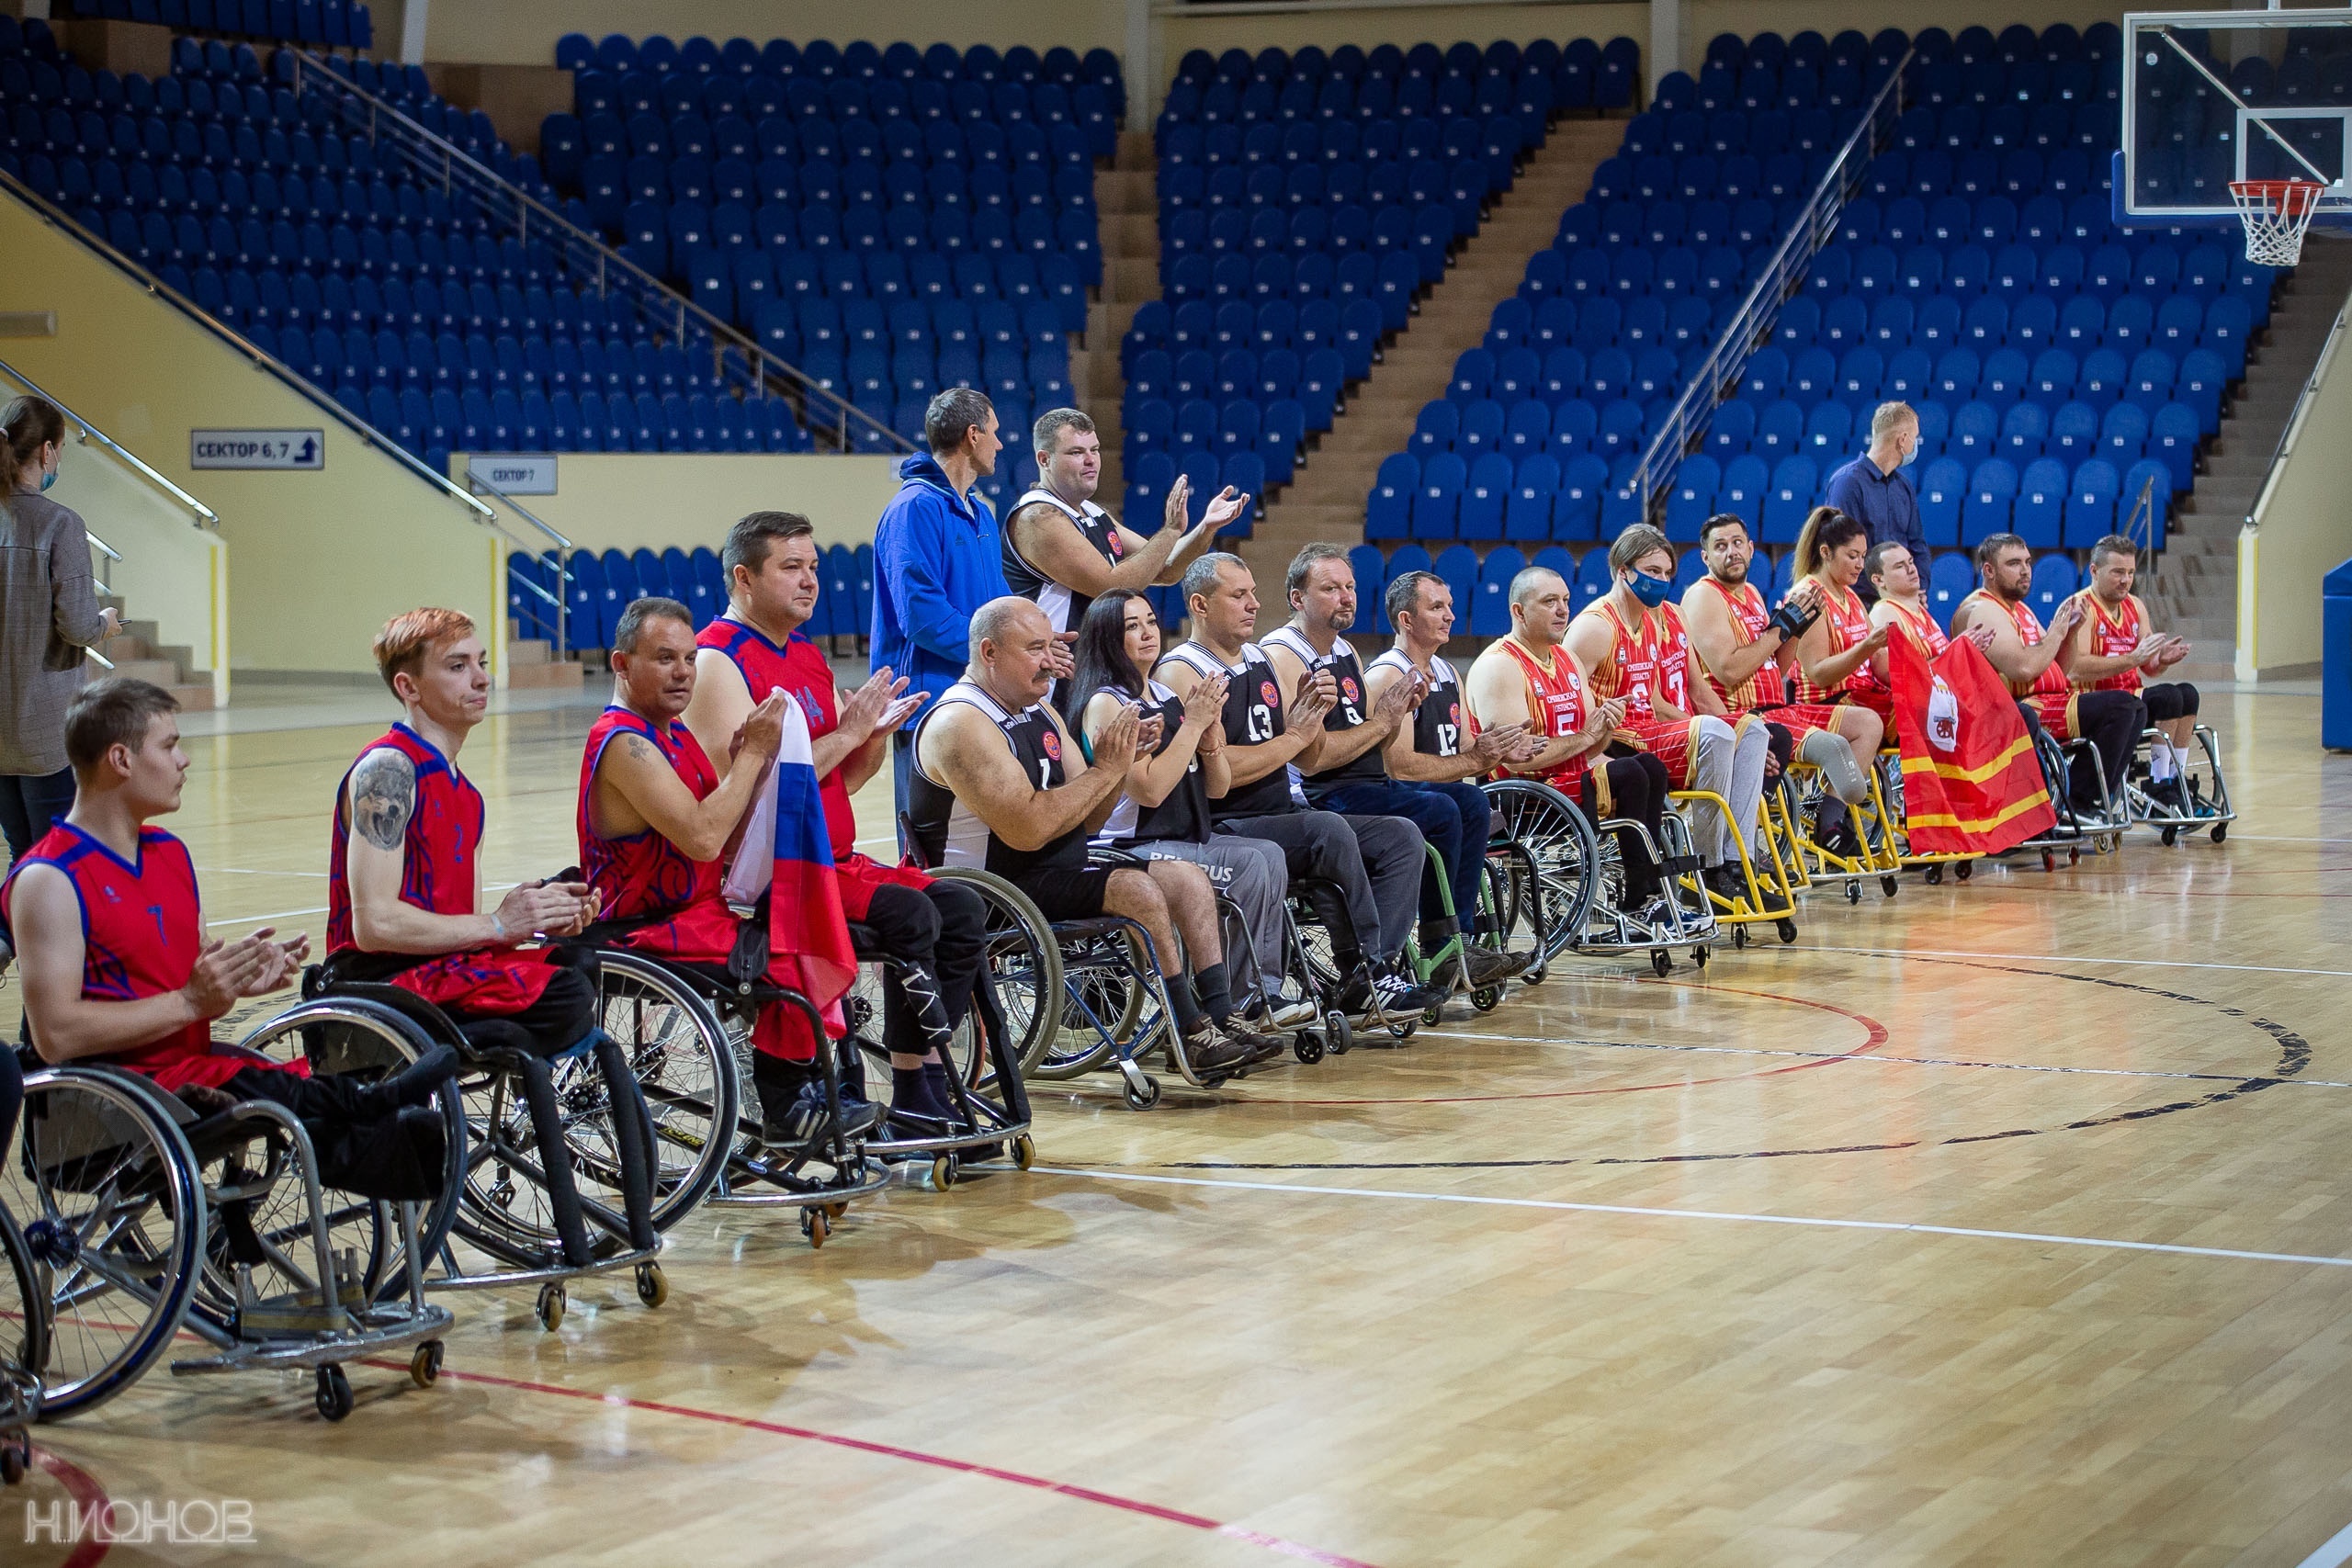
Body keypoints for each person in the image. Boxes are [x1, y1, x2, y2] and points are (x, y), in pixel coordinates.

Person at [1, 679, 455, 1200]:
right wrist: (191, 1000)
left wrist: (236, 979)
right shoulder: (48, 880)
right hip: (101, 1108)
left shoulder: (169, 852)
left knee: (295, 1090)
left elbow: (186, 988)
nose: (184, 760)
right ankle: (366, 1111)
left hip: (181, 1075)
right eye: (169, 746)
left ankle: (383, 1136)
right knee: (287, 1094)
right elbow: (56, 1035)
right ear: (121, 759)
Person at [684, 511, 987, 1136]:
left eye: (814, 567)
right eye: (791, 567)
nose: (810, 580)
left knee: (961, 909)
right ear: (744, 576)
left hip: (829, 854)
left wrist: (870, 741)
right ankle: (896, 1091)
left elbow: (837, 783)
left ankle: (920, 1082)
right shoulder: (718, 661)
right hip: (765, 870)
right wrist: (846, 732)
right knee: (914, 917)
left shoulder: (806, 656)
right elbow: (742, 792)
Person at [910, 596, 1280, 1075]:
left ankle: (1221, 1012)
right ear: (989, 653)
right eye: (1034, 648)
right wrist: (1104, 770)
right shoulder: (962, 723)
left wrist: (1113, 770)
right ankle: (1188, 1030)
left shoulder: (1036, 710)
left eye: (1051, 646)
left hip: (1049, 869)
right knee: (1136, 888)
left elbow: (1089, 818)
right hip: (986, 890)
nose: (1050, 660)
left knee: (1185, 878)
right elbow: (1028, 829)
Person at [582, 594, 879, 1145]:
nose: (683, 673)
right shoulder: (625, 741)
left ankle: (817, 1084)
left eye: (691, 659)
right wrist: (750, 758)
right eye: (665, 658)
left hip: (697, 910)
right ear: (621, 665)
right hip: (643, 923)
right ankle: (785, 1104)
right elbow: (702, 837)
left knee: (802, 926)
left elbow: (730, 814)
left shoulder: (673, 734)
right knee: (787, 952)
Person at [1155, 553, 1448, 1018]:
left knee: (1400, 835)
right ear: (1200, 605)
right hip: (1223, 823)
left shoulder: (1257, 661)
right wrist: (1291, 739)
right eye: (1238, 595)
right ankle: (1364, 972)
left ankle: (1376, 972)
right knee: (1327, 829)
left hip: (1280, 811)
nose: (1253, 604)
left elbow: (1304, 751)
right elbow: (1221, 769)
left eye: (1252, 592)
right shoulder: (1180, 671)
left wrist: (1383, 715)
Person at [327, 608, 603, 1058]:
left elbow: (461, 926)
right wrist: (498, 925)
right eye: (458, 667)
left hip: (436, 969)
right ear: (408, 687)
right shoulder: (389, 769)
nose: (481, 679)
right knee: (564, 993)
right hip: (378, 979)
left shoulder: (467, 794)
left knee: (576, 958)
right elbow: (374, 924)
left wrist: (531, 919)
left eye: (482, 663)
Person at [1272, 549, 1521, 989]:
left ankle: (1454, 938)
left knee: (1469, 801)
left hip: (1362, 780)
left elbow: (1375, 736)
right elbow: (1316, 759)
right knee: (1445, 809)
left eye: (1349, 587)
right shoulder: (1285, 653)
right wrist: (1386, 721)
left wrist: (1490, 748)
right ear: (1297, 597)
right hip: (1321, 792)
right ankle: (1439, 943)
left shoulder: (1345, 650)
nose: (1345, 597)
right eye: (1330, 588)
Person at [1064, 588, 1308, 1031]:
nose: (1146, 633)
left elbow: (1217, 788)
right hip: (1132, 845)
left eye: (1151, 622)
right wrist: (1193, 724)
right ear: (1106, 638)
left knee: (1268, 853)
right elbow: (1150, 792)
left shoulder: (1164, 693)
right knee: (1251, 863)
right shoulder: (1106, 702)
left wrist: (1211, 738)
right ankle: (1241, 1000)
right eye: (1131, 626)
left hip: (1184, 836)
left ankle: (1260, 991)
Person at [1565, 524, 1770, 901]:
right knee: (1717, 733)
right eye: (1652, 571)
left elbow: (1657, 699)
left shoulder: (1649, 618)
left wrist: (1718, 723)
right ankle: (1708, 866)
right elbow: (1569, 698)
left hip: (1650, 728)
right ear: (1623, 570)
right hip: (1619, 739)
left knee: (1753, 730)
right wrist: (1594, 750)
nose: (1661, 580)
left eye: (1665, 573)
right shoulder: (1595, 627)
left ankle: (1735, 860)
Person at [1464, 566, 1673, 919]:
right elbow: (1517, 759)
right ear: (1519, 611)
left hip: (1569, 784)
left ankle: (1652, 886)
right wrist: (1586, 737)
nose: (1563, 610)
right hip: (1523, 794)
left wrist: (1605, 726)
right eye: (1549, 602)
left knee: (1649, 765)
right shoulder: (1499, 666)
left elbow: (1589, 746)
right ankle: (1640, 896)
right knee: (1630, 774)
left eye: (1565, 600)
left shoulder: (1567, 659)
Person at [1002, 408, 1240, 704]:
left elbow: (1163, 568)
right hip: (1057, 677)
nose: (1090, 460)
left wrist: (1205, 527)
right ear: (1044, 459)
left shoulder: (1091, 511)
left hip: (1097, 667)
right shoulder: (1039, 517)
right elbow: (1110, 587)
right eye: (1076, 452)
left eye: (1095, 450)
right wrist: (1169, 531)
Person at [872, 388, 1031, 822]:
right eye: (995, 433)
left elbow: (1000, 604)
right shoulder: (914, 508)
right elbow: (922, 617)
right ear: (973, 435)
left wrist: (1036, 642)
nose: (1001, 444)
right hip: (929, 700)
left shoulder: (979, 512)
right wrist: (1000, 655)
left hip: (981, 690)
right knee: (932, 849)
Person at [1682, 512, 1881, 813]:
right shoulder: (1703, 596)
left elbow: (1776, 668)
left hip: (1778, 709)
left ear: (1751, 549)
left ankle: (1833, 823)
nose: (1731, 551)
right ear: (1705, 557)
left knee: (1868, 722)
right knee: (1835, 748)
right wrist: (1780, 629)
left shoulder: (1750, 593)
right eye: (1720, 546)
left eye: (1737, 543)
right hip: (1744, 717)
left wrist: (1795, 632)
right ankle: (1834, 821)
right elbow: (1730, 671)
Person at [0, 394, 121, 870]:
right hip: (45, 726)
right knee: (57, 856)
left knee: (19, 850)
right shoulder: (60, 524)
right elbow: (75, 624)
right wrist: (104, 625)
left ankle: (12, 939)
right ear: (48, 452)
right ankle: (52, 944)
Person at [1952, 534, 2147, 818]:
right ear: (1989, 571)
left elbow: (2059, 668)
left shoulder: (2021, 610)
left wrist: (2071, 633)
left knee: (2137, 708)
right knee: (2121, 707)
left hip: (2040, 701)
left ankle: (2083, 798)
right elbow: (2024, 668)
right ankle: (2076, 800)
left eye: (2028, 563)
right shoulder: (1982, 609)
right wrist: (2056, 632)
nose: (2025, 570)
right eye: (2014, 563)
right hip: (2009, 711)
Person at [2069, 535, 2202, 809]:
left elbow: (2150, 667)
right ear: (2094, 571)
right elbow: (2076, 667)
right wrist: (2132, 658)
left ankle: (2173, 778)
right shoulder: (2082, 608)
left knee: (2188, 694)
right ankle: (2157, 782)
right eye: (2118, 572)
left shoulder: (2135, 606)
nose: (2125, 580)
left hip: (2133, 698)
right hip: (2098, 701)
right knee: (2167, 697)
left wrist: (2162, 659)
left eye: (2130, 572)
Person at [1822, 400, 1928, 570]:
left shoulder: (1904, 486)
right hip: (1863, 594)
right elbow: (1842, 550)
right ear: (1902, 440)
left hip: (1901, 594)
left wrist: (1919, 589)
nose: (1915, 445)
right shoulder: (1847, 483)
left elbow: (1918, 545)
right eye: (1915, 438)